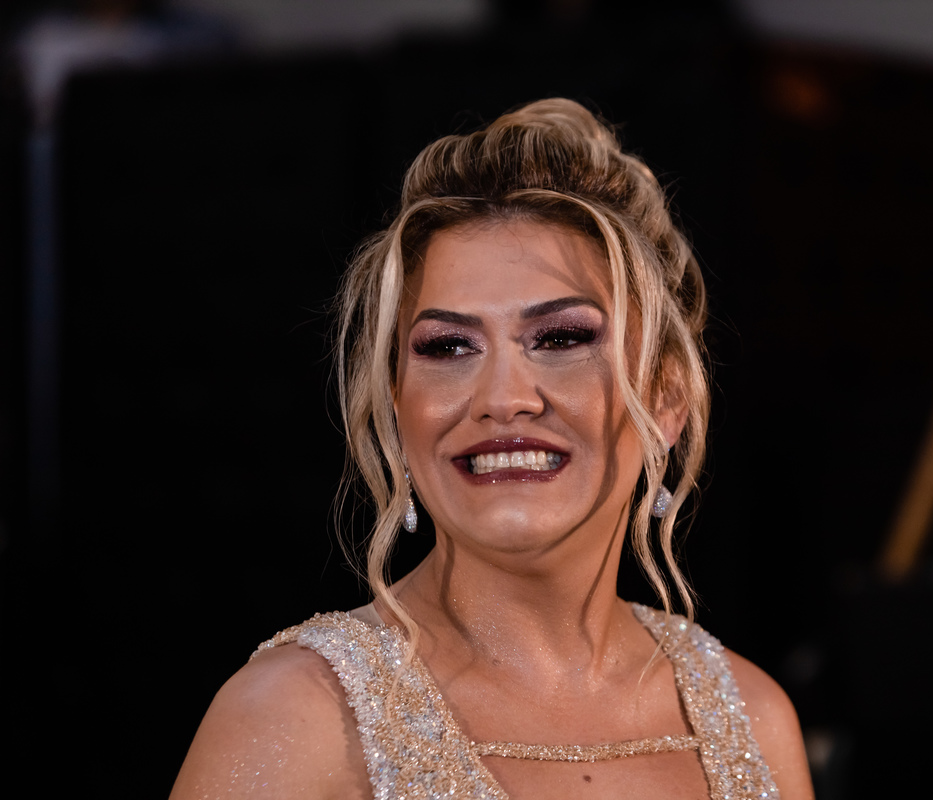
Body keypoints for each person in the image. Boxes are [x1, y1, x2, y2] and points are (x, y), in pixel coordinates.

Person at [170, 98, 814, 800]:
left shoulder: (751, 718)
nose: (503, 398)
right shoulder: (292, 717)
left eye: (561, 338)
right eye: (449, 347)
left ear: (666, 399)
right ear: (396, 403)